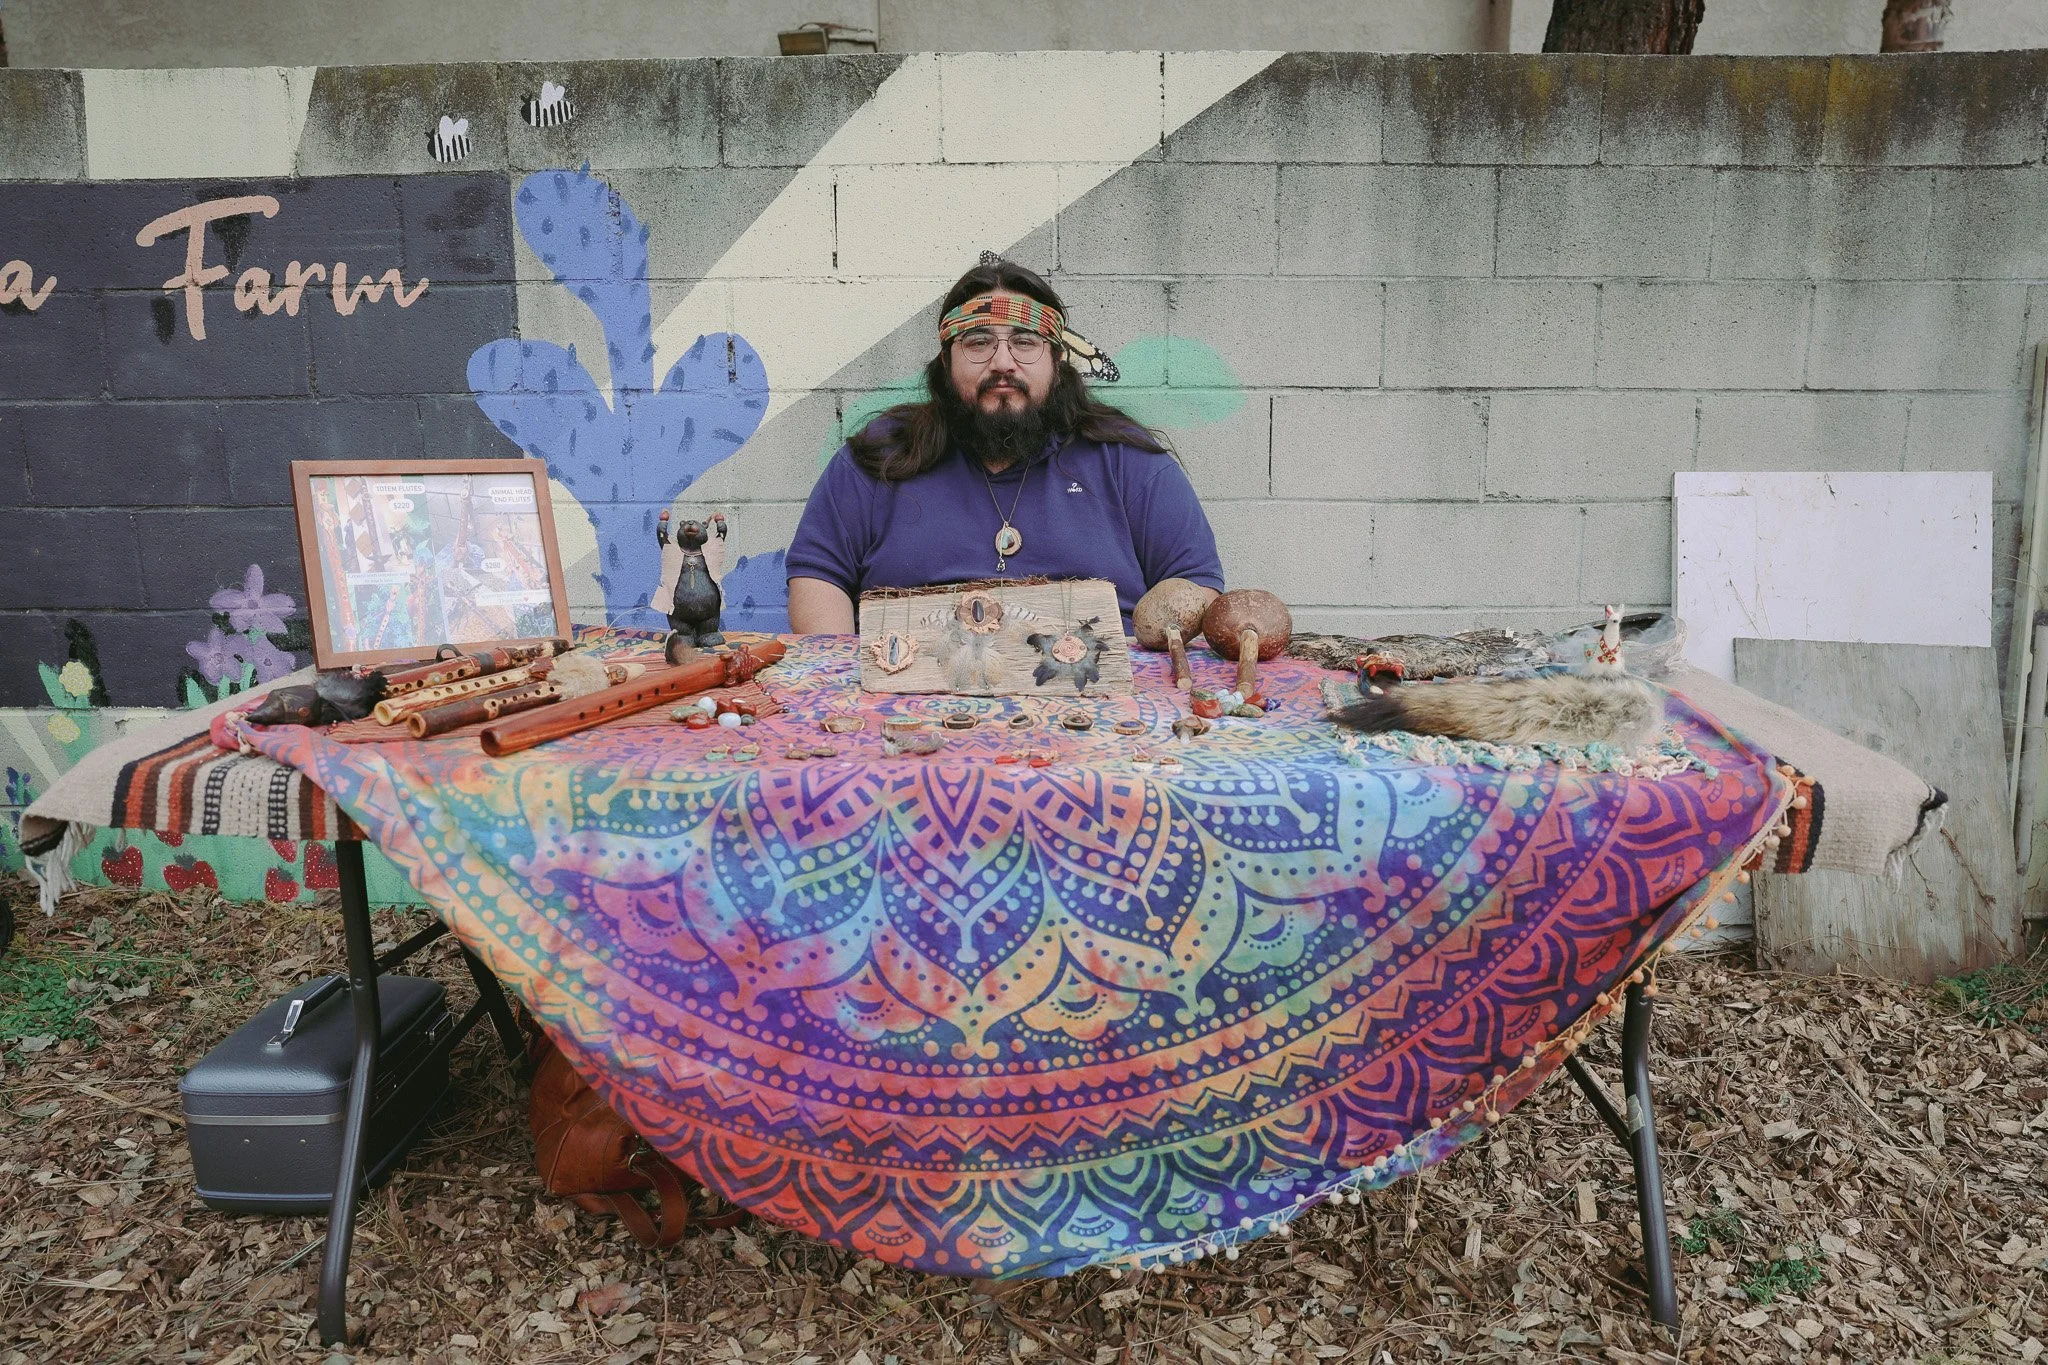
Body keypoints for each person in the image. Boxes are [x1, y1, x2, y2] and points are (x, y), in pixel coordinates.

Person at [784, 258, 1224, 634]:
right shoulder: (881, 454)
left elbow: (1195, 584)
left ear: (1056, 362)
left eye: (1024, 342)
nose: (1002, 362)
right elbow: (819, 576)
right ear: (946, 360)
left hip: (1096, 698)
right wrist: (841, 681)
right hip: (906, 694)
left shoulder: (1126, 459)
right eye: (978, 342)